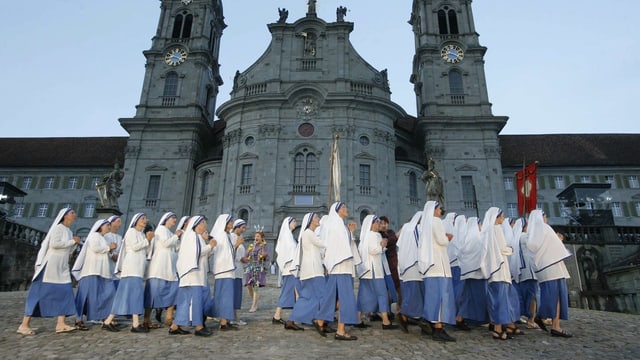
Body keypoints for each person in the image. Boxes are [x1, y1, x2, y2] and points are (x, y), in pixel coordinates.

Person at [17, 208, 82, 335]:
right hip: (51, 265)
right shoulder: (58, 228)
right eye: (72, 213)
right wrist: (72, 241)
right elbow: (54, 244)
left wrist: (73, 244)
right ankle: (24, 324)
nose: (75, 215)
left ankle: (61, 323)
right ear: (64, 216)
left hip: (62, 266)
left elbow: (67, 250)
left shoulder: (68, 231)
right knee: (38, 293)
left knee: (65, 292)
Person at [314, 201, 360, 341]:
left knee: (331, 296)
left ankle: (320, 321)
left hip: (338, 265)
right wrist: (349, 233)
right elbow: (340, 245)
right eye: (344, 207)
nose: (347, 209)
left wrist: (350, 232)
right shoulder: (337, 225)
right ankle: (340, 330)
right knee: (345, 298)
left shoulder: (336, 225)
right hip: (342, 265)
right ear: (338, 210)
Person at [527, 210, 573, 338]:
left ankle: (551, 322)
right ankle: (553, 324)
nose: (546, 218)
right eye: (545, 216)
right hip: (553, 268)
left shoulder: (532, 232)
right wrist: (558, 239)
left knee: (551, 296)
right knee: (556, 297)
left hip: (543, 269)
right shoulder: (545, 228)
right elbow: (555, 246)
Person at [102, 213, 151, 333]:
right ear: (136, 221)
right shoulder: (131, 232)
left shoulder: (141, 234)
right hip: (131, 269)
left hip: (138, 269)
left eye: (145, 218)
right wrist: (147, 240)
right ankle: (132, 324)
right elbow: (134, 247)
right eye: (143, 219)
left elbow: (146, 250)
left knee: (134, 295)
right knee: (128, 295)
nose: (145, 221)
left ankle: (112, 321)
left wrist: (148, 241)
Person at [170, 215, 216, 336]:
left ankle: (175, 326)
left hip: (194, 274)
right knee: (193, 301)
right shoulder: (192, 236)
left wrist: (208, 245)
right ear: (196, 225)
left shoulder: (195, 237)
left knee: (187, 301)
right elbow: (198, 252)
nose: (204, 226)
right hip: (192, 275)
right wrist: (210, 245)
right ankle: (198, 326)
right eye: (202, 224)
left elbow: (202, 254)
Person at [418, 201, 456, 342]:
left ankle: (429, 322)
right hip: (439, 265)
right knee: (442, 298)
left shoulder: (425, 224)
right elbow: (442, 240)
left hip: (431, 266)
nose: (441, 211)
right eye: (439, 208)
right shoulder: (436, 221)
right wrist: (448, 238)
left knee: (432, 297)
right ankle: (438, 328)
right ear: (434, 210)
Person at [482, 207, 521, 340]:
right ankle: (499, 329)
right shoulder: (497, 230)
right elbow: (503, 248)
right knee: (502, 301)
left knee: (497, 301)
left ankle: (500, 327)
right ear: (496, 217)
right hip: (501, 271)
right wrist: (511, 249)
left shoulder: (487, 231)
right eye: (501, 216)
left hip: (493, 272)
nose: (503, 219)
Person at [71, 218, 117, 330]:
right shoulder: (93, 236)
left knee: (106, 293)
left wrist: (110, 251)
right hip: (91, 270)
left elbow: (104, 252)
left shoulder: (103, 238)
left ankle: (104, 317)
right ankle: (78, 319)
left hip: (102, 271)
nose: (109, 227)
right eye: (107, 225)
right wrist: (108, 248)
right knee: (84, 296)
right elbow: (96, 248)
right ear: (100, 226)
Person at [357, 215, 398, 330]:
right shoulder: (373, 235)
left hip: (367, 270)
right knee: (382, 294)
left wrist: (382, 245)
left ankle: (358, 318)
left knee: (363, 295)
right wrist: (383, 244)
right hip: (374, 270)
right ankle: (385, 321)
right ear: (372, 224)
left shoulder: (367, 236)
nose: (379, 224)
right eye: (377, 222)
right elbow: (374, 250)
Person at [142, 212, 182, 328]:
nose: (175, 220)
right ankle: (146, 318)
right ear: (166, 219)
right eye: (173, 218)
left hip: (170, 268)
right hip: (159, 267)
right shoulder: (161, 229)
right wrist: (176, 236)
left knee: (173, 291)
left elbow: (175, 247)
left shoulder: (170, 232)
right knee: (153, 294)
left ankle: (169, 317)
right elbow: (165, 243)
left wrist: (178, 239)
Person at [288, 212, 325, 329]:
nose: (319, 219)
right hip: (314, 271)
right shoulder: (309, 233)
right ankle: (319, 320)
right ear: (310, 221)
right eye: (316, 217)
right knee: (321, 295)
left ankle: (292, 320)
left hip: (310, 271)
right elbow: (322, 244)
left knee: (307, 297)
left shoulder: (308, 234)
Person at [457, 217, 490, 325]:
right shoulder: (478, 238)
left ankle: (461, 317)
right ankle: (478, 318)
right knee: (479, 297)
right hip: (477, 272)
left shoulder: (465, 238)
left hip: (467, 272)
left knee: (467, 297)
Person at [396, 211, 424, 333]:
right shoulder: (417, 229)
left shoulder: (406, 228)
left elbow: (398, 241)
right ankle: (403, 315)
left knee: (410, 294)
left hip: (404, 265)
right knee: (415, 295)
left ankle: (409, 316)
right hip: (414, 264)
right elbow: (421, 246)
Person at [210, 214, 237, 330]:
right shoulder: (221, 235)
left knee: (227, 296)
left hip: (228, 269)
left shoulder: (227, 235)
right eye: (230, 222)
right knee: (224, 296)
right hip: (223, 269)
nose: (232, 224)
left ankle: (225, 319)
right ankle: (223, 322)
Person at [272, 217, 298, 325]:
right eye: (294, 222)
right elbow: (287, 253)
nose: (295, 223)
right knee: (288, 292)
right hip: (290, 269)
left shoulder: (289, 236)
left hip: (292, 269)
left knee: (296, 292)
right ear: (288, 223)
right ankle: (277, 316)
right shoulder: (287, 236)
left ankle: (280, 316)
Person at [245, 228, 270, 313]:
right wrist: (248, 251)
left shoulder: (264, 246)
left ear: (262, 238)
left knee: (256, 286)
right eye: (255, 236)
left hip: (258, 268)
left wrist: (263, 255)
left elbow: (267, 257)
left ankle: (254, 305)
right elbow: (246, 256)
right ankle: (254, 301)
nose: (256, 238)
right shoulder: (252, 246)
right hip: (250, 267)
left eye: (258, 236)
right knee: (249, 286)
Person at [379, 216, 400, 315]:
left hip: (394, 261)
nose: (383, 225)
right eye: (381, 223)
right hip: (385, 262)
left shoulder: (390, 232)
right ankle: (386, 310)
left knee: (397, 286)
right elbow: (388, 242)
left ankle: (399, 309)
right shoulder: (379, 234)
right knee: (386, 288)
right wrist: (396, 236)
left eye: (385, 223)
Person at [230, 219, 247, 326]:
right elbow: (229, 252)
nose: (244, 230)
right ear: (237, 227)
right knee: (233, 294)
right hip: (233, 270)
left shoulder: (238, 238)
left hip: (239, 270)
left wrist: (245, 259)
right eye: (243, 228)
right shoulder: (231, 237)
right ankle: (231, 317)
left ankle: (235, 316)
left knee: (237, 294)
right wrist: (237, 244)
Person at [104, 215, 123, 289]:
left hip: (116, 263)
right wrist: (111, 254)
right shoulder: (105, 235)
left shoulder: (119, 237)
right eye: (118, 221)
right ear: (111, 223)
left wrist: (118, 257)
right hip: (107, 263)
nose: (120, 224)